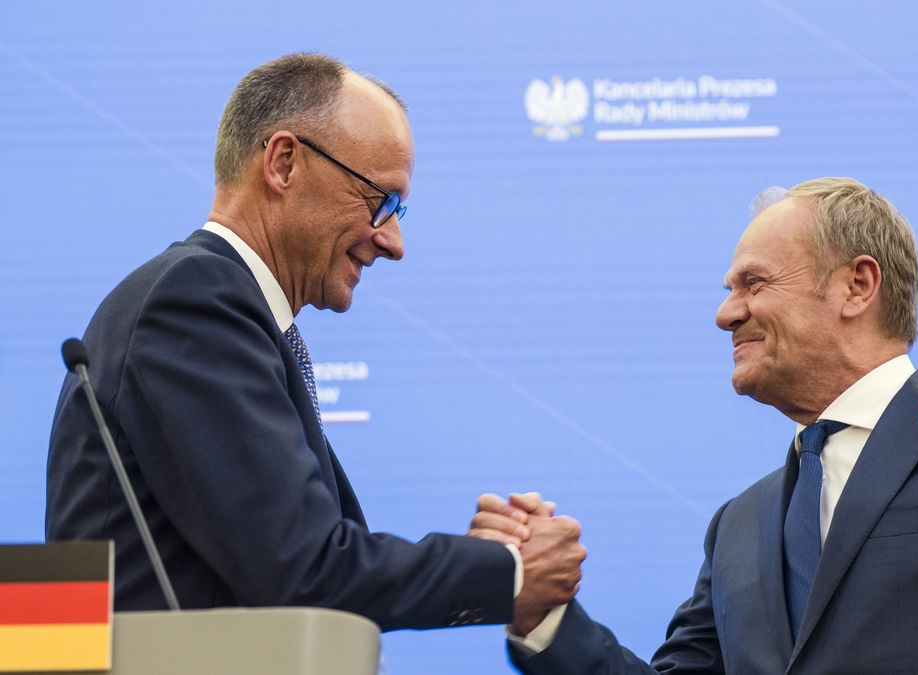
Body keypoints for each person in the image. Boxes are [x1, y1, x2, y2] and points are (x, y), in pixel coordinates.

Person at [475, 177, 918, 673]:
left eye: (753, 283)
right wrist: (544, 616)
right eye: (728, 290)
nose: (725, 313)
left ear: (857, 285)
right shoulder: (740, 523)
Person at [45, 53, 585, 632]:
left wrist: (490, 564)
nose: (394, 241)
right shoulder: (193, 301)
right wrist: (504, 573)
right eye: (382, 200)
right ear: (283, 163)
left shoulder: (227, 308)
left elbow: (308, 557)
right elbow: (303, 569)